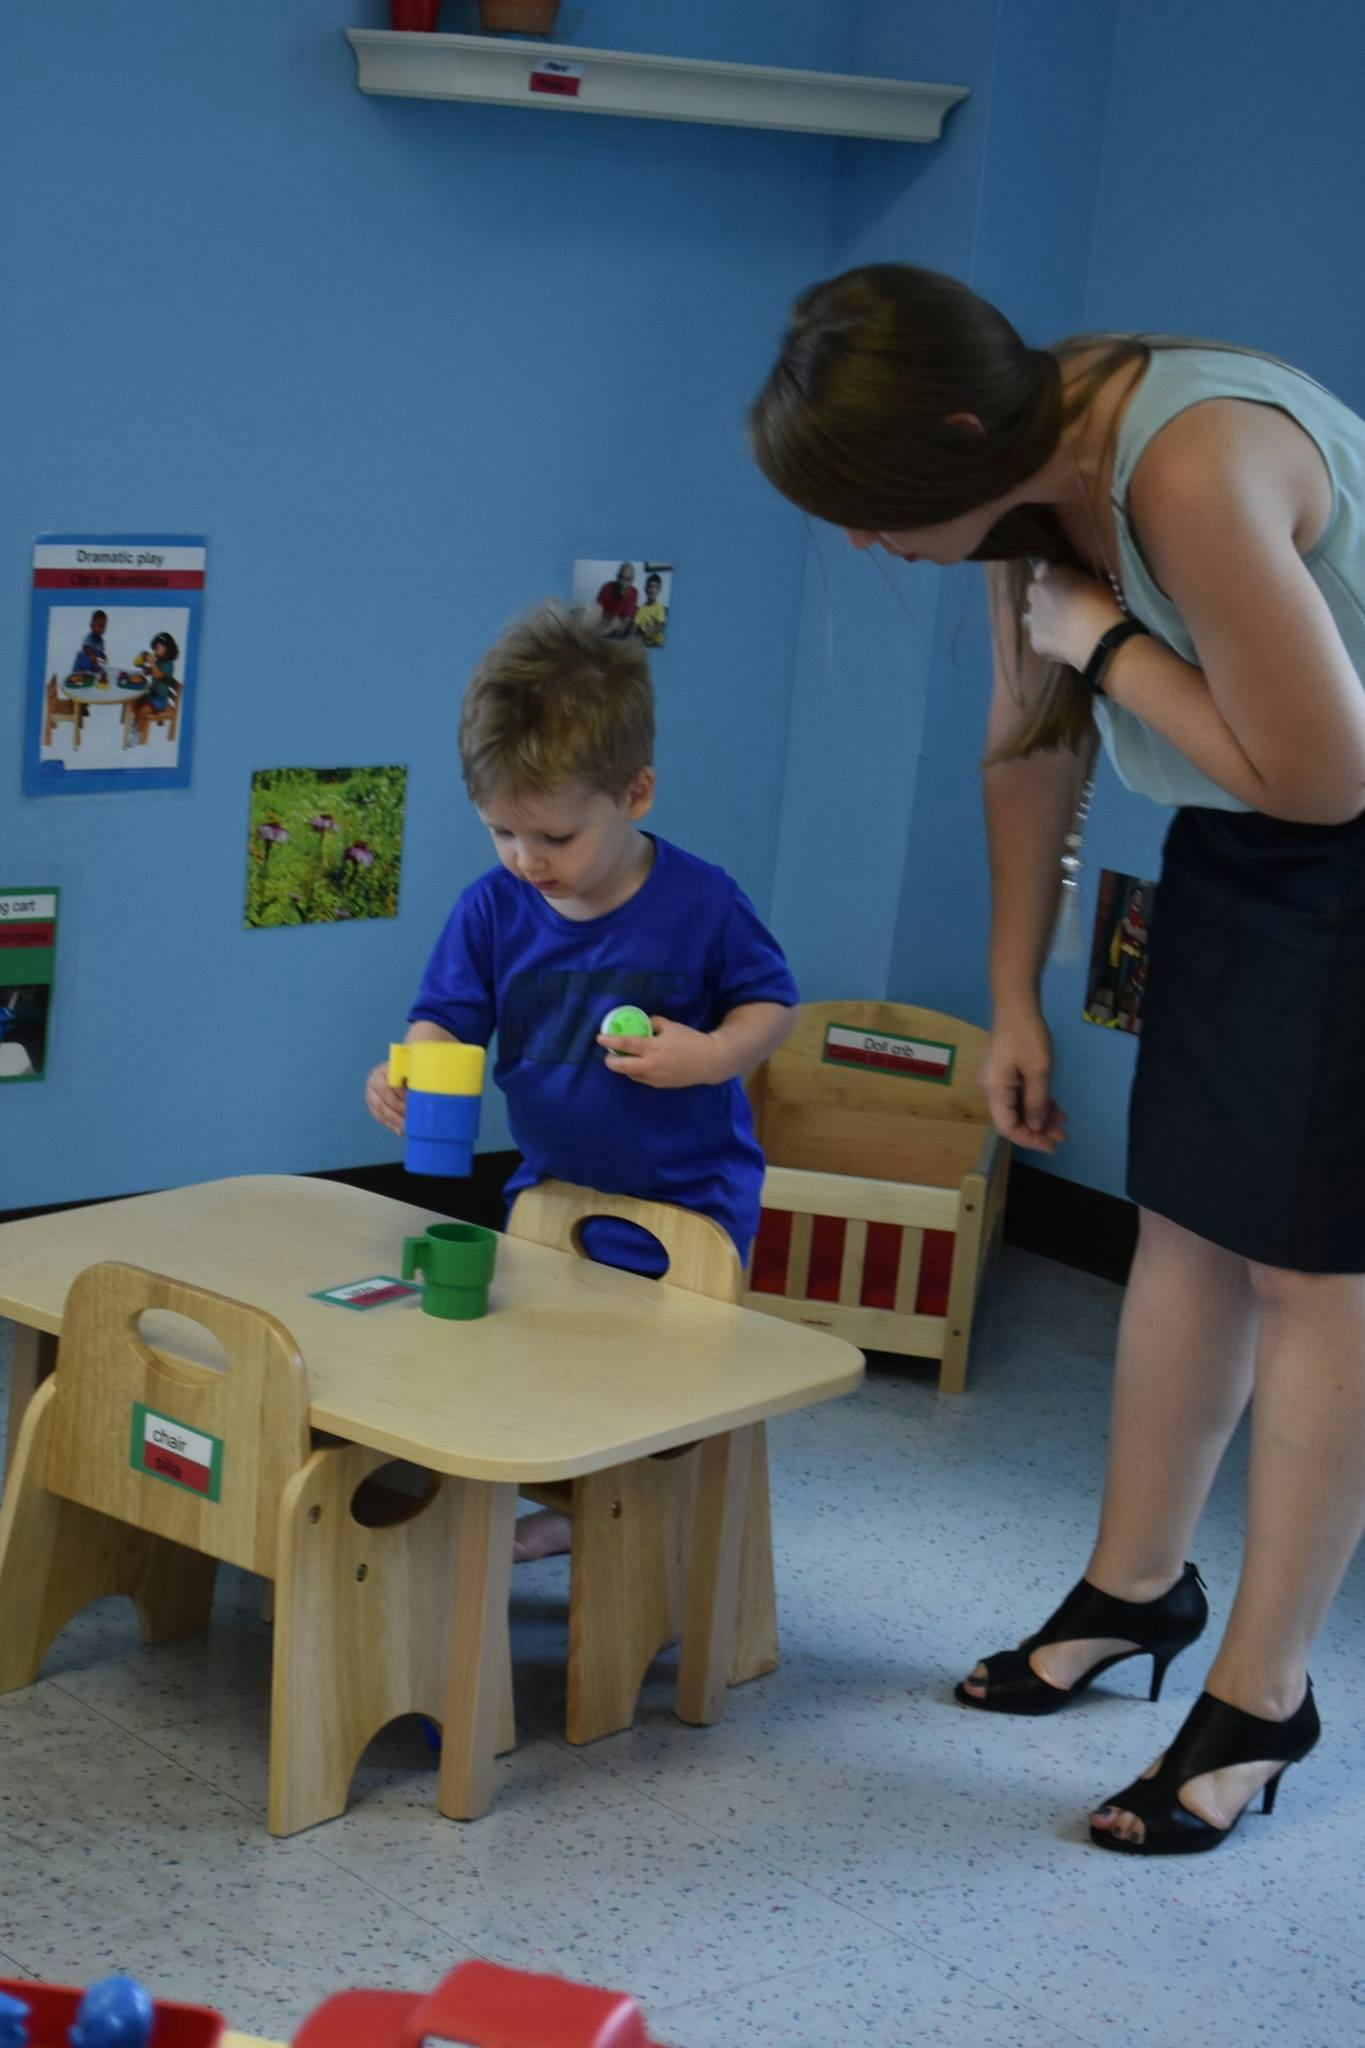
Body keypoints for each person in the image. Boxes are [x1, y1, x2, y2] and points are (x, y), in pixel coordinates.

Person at [749, 261, 1365, 1856]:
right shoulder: (1026, 468)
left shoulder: (1180, 461)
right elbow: (1032, 740)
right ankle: (1136, 1588)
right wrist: (1009, 994)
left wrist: (1102, 642)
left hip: (1338, 828)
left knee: (1318, 1277)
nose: (872, 543)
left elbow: (1326, 774)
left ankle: (1264, 1695)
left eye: (879, 510)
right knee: (1187, 1226)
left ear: (957, 430)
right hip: (1251, 843)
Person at [365, 603, 798, 1560]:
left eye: (551, 838)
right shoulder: (493, 908)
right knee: (537, 1358)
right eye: (500, 833)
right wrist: (408, 1068)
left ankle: (615, 1512)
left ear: (634, 794)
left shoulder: (702, 903)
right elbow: (446, 1015)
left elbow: (771, 1004)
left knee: (656, 1383)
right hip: (553, 1189)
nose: (526, 861)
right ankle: (566, 1497)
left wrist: (712, 1057)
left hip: (689, 1198)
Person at [125, 632, 179, 748]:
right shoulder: (159, 661)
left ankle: (138, 735)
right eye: (154, 650)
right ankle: (136, 724)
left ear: (168, 648)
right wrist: (144, 667)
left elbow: (158, 675)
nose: (154, 652)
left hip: (160, 701)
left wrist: (151, 660)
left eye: (157, 649)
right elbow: (151, 671)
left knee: (142, 711)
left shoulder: (169, 665)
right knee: (135, 702)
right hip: (152, 695)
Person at [595, 563, 638, 637]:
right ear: (617, 577)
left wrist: (618, 626)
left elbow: (627, 620)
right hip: (604, 622)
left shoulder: (634, 592)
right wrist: (609, 621)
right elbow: (596, 612)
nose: (624, 583)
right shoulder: (607, 587)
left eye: (628, 580)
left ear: (632, 580)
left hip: (619, 627)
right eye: (622, 578)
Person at [69, 609, 108, 680]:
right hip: (82, 663)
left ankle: (94, 671)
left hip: (93, 665)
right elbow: (85, 647)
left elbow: (101, 652)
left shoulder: (101, 640)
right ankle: (79, 672)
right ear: (91, 625)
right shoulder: (88, 637)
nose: (101, 629)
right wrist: (91, 655)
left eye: (103, 626)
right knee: (79, 676)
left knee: (102, 671)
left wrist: (103, 656)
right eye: (98, 626)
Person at [634, 572, 668, 649]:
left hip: (657, 643)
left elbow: (660, 625)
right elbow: (635, 626)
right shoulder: (641, 609)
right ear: (645, 589)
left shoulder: (660, 607)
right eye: (650, 587)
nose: (652, 590)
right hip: (644, 643)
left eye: (655, 587)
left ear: (659, 590)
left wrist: (650, 632)